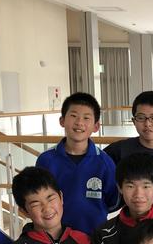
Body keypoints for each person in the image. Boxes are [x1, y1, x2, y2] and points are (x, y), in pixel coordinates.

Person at [35, 92, 118, 235]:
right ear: (62, 121)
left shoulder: (105, 163)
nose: (79, 122)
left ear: (96, 126)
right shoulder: (46, 160)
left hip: (94, 236)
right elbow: (39, 197)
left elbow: (112, 201)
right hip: (56, 236)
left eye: (86, 118)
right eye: (73, 116)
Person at [104, 91, 153, 214]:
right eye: (141, 118)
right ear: (134, 121)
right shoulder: (118, 150)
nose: (147, 124)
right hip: (129, 217)